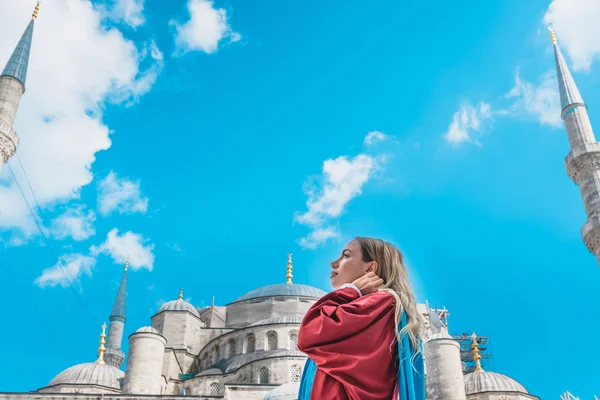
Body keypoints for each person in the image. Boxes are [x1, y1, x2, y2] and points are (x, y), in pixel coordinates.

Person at [297, 237, 426, 400]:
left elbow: (311, 333)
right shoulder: (372, 307)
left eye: (346, 255)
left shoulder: (380, 304)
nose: (334, 263)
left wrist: (350, 290)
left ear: (370, 268)